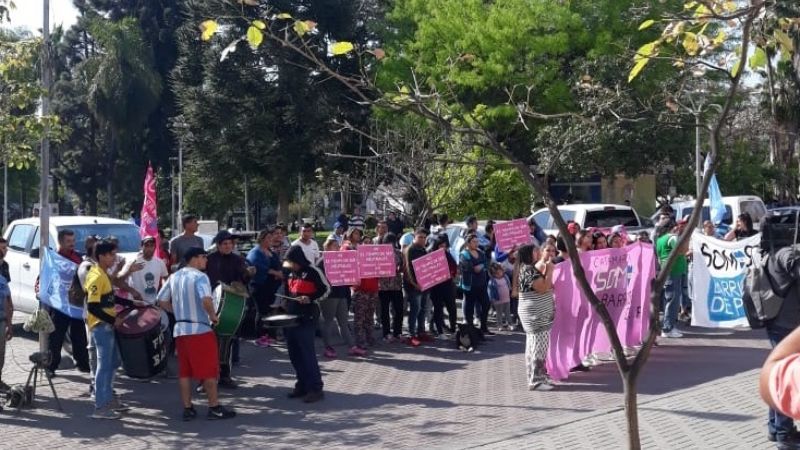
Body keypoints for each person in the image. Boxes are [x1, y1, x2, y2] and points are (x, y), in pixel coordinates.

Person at [157, 247, 236, 421]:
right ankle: (214, 407)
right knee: (209, 371)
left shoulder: (174, 276)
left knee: (184, 372)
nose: (206, 260)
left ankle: (188, 408)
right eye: (204, 257)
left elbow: (161, 299)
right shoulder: (200, 277)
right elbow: (206, 300)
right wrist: (213, 316)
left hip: (181, 330)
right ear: (194, 258)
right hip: (200, 330)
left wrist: (176, 311)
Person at [758, 244, 800, 446]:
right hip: (786, 322)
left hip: (776, 319)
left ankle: (776, 428)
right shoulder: (787, 252)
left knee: (777, 374)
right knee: (785, 378)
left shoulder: (770, 250)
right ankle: (784, 434)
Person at [85, 240, 128, 419]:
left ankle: (108, 398)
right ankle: (101, 406)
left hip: (107, 325)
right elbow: (93, 306)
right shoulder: (96, 276)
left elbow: (109, 299)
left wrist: (132, 302)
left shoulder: (103, 273)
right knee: (104, 366)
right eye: (111, 254)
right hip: (101, 326)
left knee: (113, 363)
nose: (114, 258)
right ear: (101, 256)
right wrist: (113, 320)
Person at [283, 245, 330, 403]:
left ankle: (315, 388)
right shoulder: (290, 274)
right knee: (294, 354)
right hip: (291, 318)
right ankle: (302, 384)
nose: (291, 265)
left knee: (307, 353)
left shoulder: (313, 272)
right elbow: (288, 292)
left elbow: (326, 289)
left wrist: (310, 298)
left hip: (307, 317)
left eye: (293, 262)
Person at [205, 230, 250, 388]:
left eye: (230, 244)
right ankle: (205, 380)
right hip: (211, 303)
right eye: (225, 244)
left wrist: (247, 275)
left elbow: (243, 280)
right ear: (218, 245)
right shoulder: (208, 259)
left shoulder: (238, 260)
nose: (228, 246)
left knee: (228, 342)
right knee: (209, 344)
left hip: (230, 304)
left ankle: (225, 376)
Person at [47, 229, 90, 377]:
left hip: (75, 304)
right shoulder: (53, 258)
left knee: (79, 335)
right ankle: (51, 366)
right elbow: (46, 277)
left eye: (73, 241)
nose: (72, 244)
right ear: (60, 242)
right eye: (68, 242)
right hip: (59, 305)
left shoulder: (78, 258)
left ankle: (83, 364)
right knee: (56, 337)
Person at [516, 243, 555, 391]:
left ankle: (540, 375)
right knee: (539, 346)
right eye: (535, 251)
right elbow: (543, 287)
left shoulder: (529, 269)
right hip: (535, 316)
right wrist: (550, 271)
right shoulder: (527, 270)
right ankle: (536, 380)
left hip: (538, 314)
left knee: (536, 344)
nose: (538, 252)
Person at [318, 239, 357, 357]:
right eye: (334, 246)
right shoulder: (321, 261)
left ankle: (352, 346)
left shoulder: (342, 259)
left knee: (343, 322)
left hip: (342, 294)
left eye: (337, 245)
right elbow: (318, 279)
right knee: (329, 321)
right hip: (329, 296)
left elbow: (348, 273)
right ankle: (328, 347)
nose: (337, 248)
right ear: (327, 247)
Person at [247, 228, 284, 348]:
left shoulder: (270, 251)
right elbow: (257, 266)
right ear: (262, 239)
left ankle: (269, 335)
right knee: (261, 311)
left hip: (271, 287)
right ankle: (260, 336)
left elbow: (278, 264)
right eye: (268, 238)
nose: (271, 240)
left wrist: (280, 272)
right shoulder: (255, 252)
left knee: (269, 311)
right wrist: (274, 272)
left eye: (271, 237)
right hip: (259, 286)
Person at [345, 228, 379, 353]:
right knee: (359, 317)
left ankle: (370, 337)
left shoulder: (376, 256)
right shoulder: (354, 252)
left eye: (370, 242)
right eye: (366, 242)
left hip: (373, 289)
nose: (368, 244)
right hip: (361, 290)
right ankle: (360, 340)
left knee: (370, 315)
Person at [656, 219, 689, 338]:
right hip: (674, 271)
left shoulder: (659, 239)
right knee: (673, 300)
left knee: (668, 299)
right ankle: (668, 328)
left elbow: (660, 256)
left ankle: (668, 326)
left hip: (666, 271)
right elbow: (682, 250)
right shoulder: (672, 237)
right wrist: (686, 238)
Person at [459, 234, 493, 335]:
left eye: (477, 241)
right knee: (469, 306)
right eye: (474, 241)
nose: (476, 243)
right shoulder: (464, 254)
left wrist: (481, 265)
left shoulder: (480, 252)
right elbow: (469, 267)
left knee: (486, 304)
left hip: (481, 284)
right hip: (470, 285)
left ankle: (483, 326)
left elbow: (486, 264)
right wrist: (478, 267)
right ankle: (470, 328)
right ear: (468, 243)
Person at [404, 228, 430, 346]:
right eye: (420, 237)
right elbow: (409, 270)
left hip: (424, 285)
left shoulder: (423, 250)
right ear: (414, 237)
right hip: (414, 286)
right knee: (415, 309)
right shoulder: (410, 249)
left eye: (424, 238)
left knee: (423, 309)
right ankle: (411, 334)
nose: (423, 240)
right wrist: (415, 284)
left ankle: (421, 332)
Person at [429, 233, 459, 334]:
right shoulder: (431, 256)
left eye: (444, 246)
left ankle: (453, 328)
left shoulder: (448, 254)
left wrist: (452, 274)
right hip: (436, 287)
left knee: (452, 308)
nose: (443, 248)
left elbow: (454, 267)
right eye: (441, 246)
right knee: (438, 309)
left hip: (448, 285)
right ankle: (439, 330)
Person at [378, 233, 404, 342]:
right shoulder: (378, 254)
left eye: (392, 242)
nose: (390, 245)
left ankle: (397, 332)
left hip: (396, 285)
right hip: (383, 287)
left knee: (399, 309)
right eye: (388, 242)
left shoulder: (399, 253)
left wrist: (400, 268)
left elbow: (403, 267)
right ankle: (386, 333)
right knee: (384, 311)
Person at [0, 238, 12, 392]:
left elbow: (7, 296)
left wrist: (10, 321)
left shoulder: (4, 269)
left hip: (2, 318)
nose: (4, 251)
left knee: (1, 353)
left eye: (5, 249)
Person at [488, 263, 512, 331]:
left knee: (508, 313)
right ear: (492, 274)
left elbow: (508, 284)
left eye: (499, 272)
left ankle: (509, 324)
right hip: (498, 301)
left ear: (502, 270)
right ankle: (499, 325)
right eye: (496, 273)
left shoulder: (505, 277)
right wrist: (492, 299)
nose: (498, 274)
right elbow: (490, 291)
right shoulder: (492, 281)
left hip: (507, 299)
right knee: (499, 314)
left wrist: (510, 289)